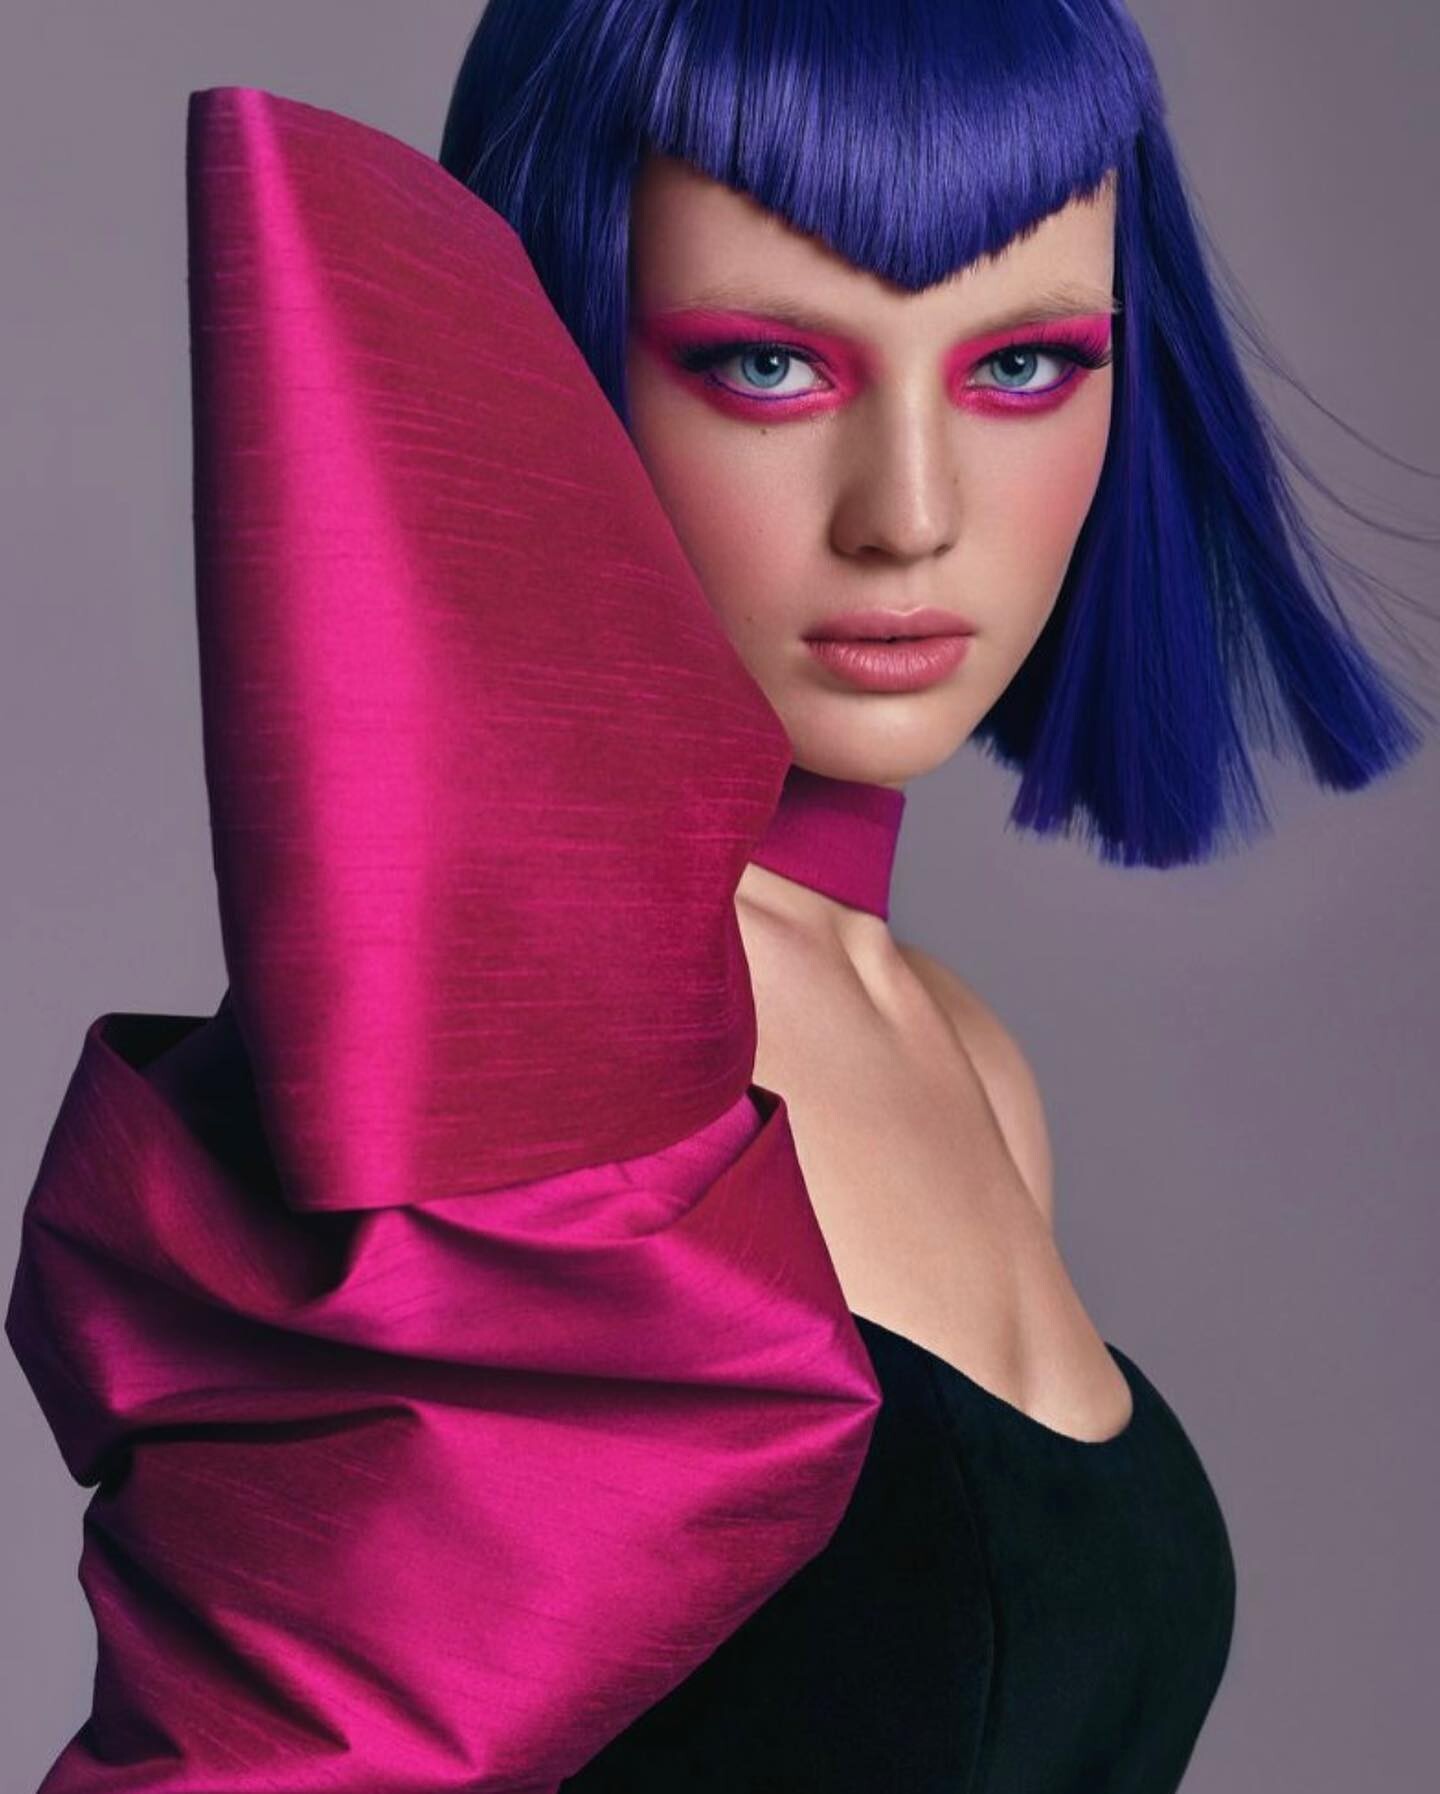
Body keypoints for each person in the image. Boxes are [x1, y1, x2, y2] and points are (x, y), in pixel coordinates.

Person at [5, 3, 1429, 1792]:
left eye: (1020, 365)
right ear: (548, 355)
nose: (909, 513)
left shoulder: (961, 1051)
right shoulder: (505, 1063)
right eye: (769, 364)